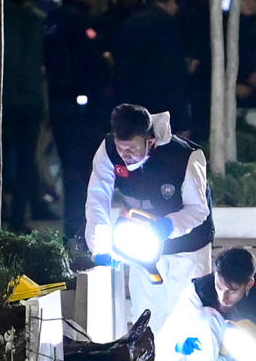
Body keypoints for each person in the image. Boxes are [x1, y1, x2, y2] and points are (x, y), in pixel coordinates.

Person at [85, 104, 214, 340]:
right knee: (146, 322)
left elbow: (198, 210)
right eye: (120, 148)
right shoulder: (108, 151)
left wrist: (167, 226)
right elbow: (97, 200)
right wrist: (100, 247)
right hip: (142, 247)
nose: (124, 155)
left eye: (131, 149)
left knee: (189, 322)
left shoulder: (186, 156)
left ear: (150, 141)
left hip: (188, 249)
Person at [44, 0, 114, 239]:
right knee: (78, 172)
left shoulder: (78, 18)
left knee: (83, 172)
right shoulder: (69, 20)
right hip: (75, 110)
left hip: (75, 107)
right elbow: (73, 65)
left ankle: (80, 233)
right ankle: (76, 234)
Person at [112, 0, 190, 130]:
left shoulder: (129, 23)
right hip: (164, 108)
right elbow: (173, 74)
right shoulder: (169, 26)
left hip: (134, 106)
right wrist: (182, 120)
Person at [2, 0, 47, 232]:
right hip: (5, 100)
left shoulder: (37, 17)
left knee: (27, 161)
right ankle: (4, 214)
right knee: (4, 161)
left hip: (29, 100)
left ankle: (19, 216)